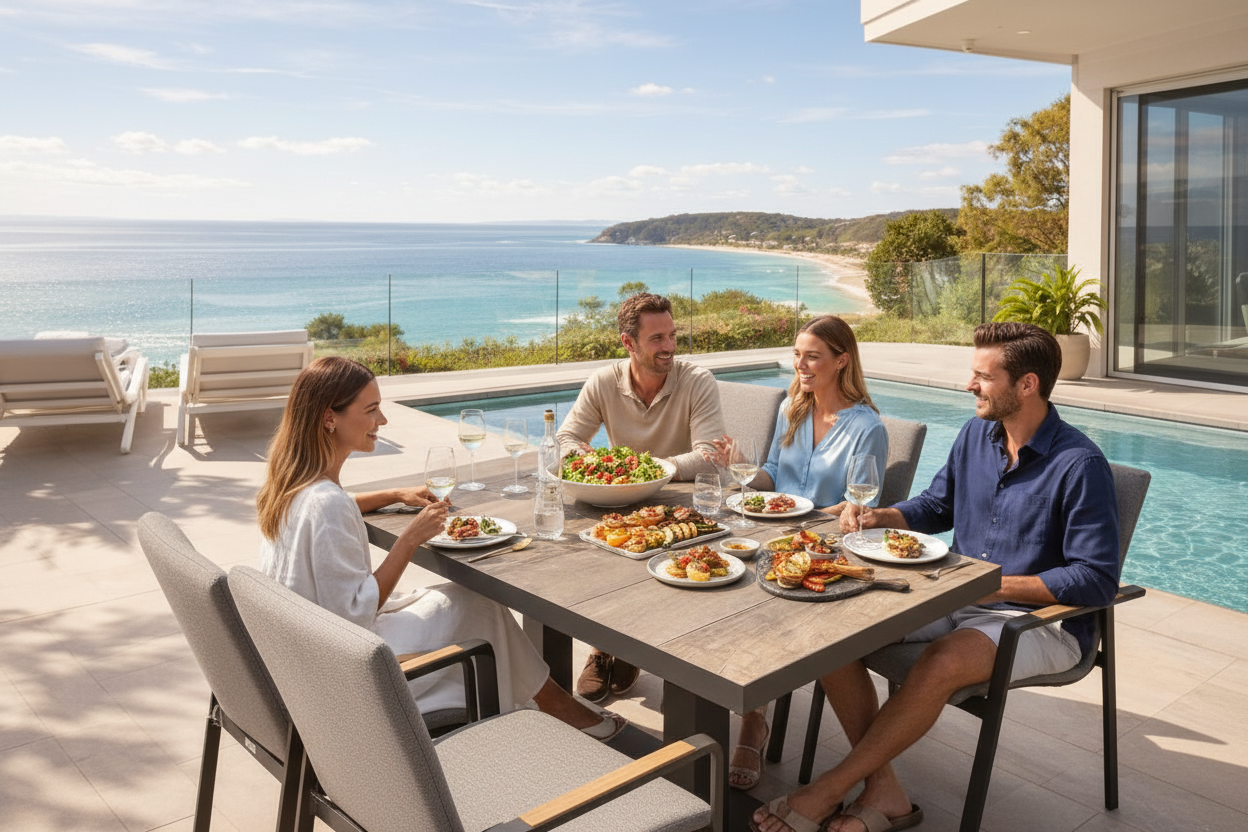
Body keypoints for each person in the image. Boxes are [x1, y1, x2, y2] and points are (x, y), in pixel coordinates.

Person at [751, 322, 1120, 832]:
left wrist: (986, 585)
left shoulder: (1080, 464)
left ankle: (829, 789)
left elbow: (1096, 580)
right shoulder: (975, 435)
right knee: (832, 629)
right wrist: (882, 516)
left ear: (1027, 384)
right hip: (956, 595)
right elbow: (936, 505)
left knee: (940, 662)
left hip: (1037, 620)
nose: (969, 385)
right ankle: (885, 792)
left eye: (982, 377)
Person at [256, 356, 626, 741]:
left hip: (308, 659)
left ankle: (544, 701)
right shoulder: (327, 505)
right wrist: (409, 539)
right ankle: (557, 707)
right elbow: (354, 614)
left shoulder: (291, 487)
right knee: (482, 607)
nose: (382, 421)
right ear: (329, 418)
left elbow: (336, 505)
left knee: (471, 601)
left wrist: (392, 494)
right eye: (371, 410)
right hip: (352, 672)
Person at [704, 315, 888, 791]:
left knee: (751, 594)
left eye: (812, 356)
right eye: (797, 354)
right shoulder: (792, 406)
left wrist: (803, 520)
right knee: (710, 570)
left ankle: (752, 719)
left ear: (841, 360)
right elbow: (769, 474)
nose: (801, 365)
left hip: (821, 544)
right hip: (773, 529)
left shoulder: (868, 428)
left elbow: (857, 505)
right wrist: (738, 473)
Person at [557, 292, 726, 702]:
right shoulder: (604, 381)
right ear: (628, 343)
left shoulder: (697, 381)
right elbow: (567, 438)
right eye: (657, 338)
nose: (669, 346)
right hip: (617, 502)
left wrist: (650, 470)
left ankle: (624, 646)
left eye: (671, 335)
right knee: (570, 551)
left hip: (679, 509)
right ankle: (606, 644)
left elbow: (711, 456)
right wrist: (594, 462)